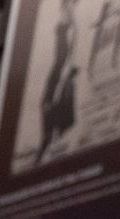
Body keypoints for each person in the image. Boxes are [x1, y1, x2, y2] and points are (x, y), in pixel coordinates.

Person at [37, 0, 82, 165]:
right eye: (66, 4)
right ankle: (48, 142)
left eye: (71, 4)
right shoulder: (64, 21)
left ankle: (48, 144)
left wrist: (64, 73)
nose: (68, 7)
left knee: (51, 104)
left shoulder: (71, 25)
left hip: (62, 69)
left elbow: (71, 51)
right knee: (48, 105)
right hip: (57, 68)